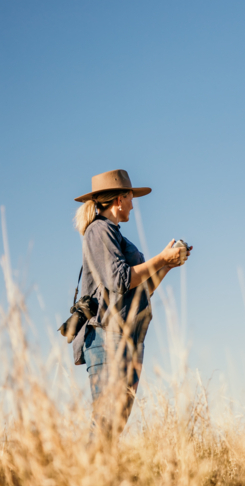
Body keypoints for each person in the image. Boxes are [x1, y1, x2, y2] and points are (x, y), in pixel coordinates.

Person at [73, 169, 192, 436]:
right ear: (118, 199)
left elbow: (141, 289)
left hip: (129, 338)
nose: (133, 203)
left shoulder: (117, 237)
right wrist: (160, 258)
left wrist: (167, 266)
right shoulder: (99, 231)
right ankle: (85, 476)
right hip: (107, 339)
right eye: (130, 197)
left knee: (114, 425)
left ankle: (98, 476)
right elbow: (121, 279)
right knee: (105, 422)